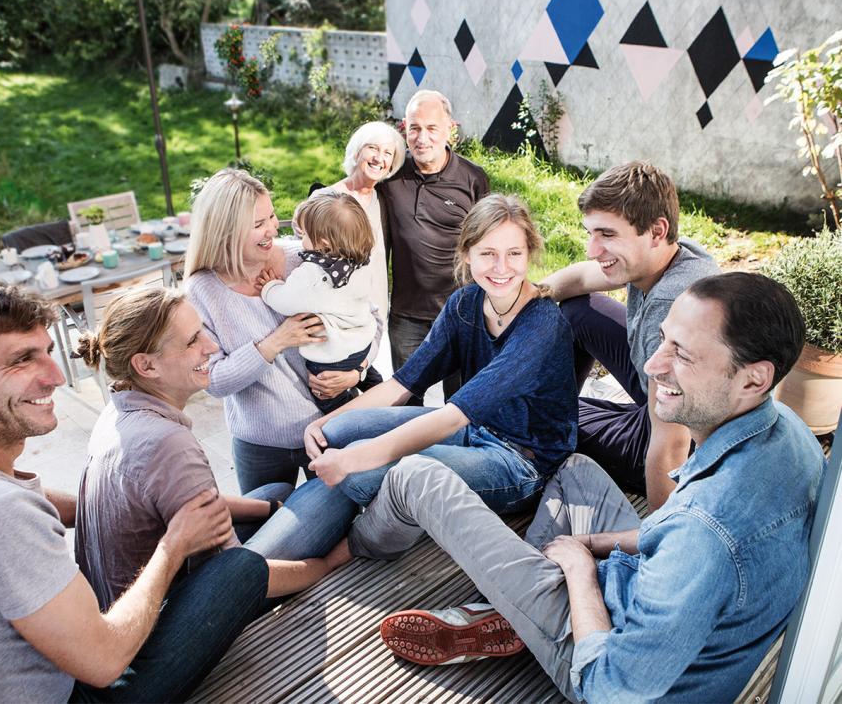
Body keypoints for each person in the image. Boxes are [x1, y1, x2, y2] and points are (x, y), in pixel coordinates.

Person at [346, 272, 823, 703]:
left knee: (416, 475)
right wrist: (591, 543)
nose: (654, 366)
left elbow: (608, 688)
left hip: (612, 661)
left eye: (683, 354)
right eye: (663, 341)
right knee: (576, 467)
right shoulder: (788, 431)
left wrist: (578, 570)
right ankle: (516, 611)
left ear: (753, 378)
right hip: (655, 598)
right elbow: (676, 535)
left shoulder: (705, 532)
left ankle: (355, 550)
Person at [0, 282, 266, 702]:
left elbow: (31, 500)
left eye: (48, 352)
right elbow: (105, 662)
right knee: (240, 569)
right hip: (78, 691)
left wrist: (106, 502)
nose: (54, 377)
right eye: (21, 361)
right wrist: (172, 546)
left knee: (262, 506)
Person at [73, 287, 353, 613]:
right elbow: (233, 576)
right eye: (192, 341)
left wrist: (272, 508)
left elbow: (192, 506)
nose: (212, 347)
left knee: (276, 493)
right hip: (166, 621)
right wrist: (327, 565)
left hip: (115, 600)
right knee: (333, 491)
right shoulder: (166, 443)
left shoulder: (117, 410)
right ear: (147, 366)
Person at [303, 194, 577, 511]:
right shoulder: (465, 304)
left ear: (529, 253)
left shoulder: (542, 324)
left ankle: (354, 537)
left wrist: (353, 459)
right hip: (472, 430)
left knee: (360, 473)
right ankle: (311, 519)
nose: (501, 267)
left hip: (521, 462)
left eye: (514, 253)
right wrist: (321, 424)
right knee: (336, 433)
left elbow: (452, 416)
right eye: (488, 253)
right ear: (466, 253)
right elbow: (403, 384)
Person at [184, 168, 380, 492]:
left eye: (272, 216)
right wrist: (274, 343)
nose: (274, 228)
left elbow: (369, 319)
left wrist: (357, 372)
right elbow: (212, 380)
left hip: (328, 430)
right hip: (259, 446)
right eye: (258, 224)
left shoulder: (306, 258)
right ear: (225, 232)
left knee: (343, 523)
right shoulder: (201, 291)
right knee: (261, 533)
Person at [540, 161, 718, 509]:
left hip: (684, 440)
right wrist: (525, 298)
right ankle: (554, 413)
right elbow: (579, 279)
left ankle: (546, 432)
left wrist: (661, 543)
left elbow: (671, 448)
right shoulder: (672, 254)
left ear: (656, 230)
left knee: (538, 417)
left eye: (607, 235)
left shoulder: (670, 309)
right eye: (591, 233)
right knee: (577, 311)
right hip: (666, 387)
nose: (593, 249)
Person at [379, 89, 490, 402]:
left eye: (432, 129)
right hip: (406, 315)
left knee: (460, 403)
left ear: (449, 129)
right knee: (404, 401)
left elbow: (484, 244)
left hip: (460, 314)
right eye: (414, 128)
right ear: (404, 128)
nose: (422, 138)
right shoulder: (390, 177)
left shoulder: (472, 179)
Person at [259, 192, 376, 413]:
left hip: (332, 358)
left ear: (322, 243)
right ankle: (378, 392)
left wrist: (269, 288)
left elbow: (285, 302)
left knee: (328, 399)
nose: (300, 240)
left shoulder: (313, 273)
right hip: (362, 345)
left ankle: (344, 417)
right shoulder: (359, 262)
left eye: (304, 234)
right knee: (372, 381)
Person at [314, 119, 406, 335]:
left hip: (375, 314)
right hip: (338, 319)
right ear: (356, 153)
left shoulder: (383, 200)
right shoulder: (326, 199)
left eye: (387, 153)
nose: (379, 158)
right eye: (372, 148)